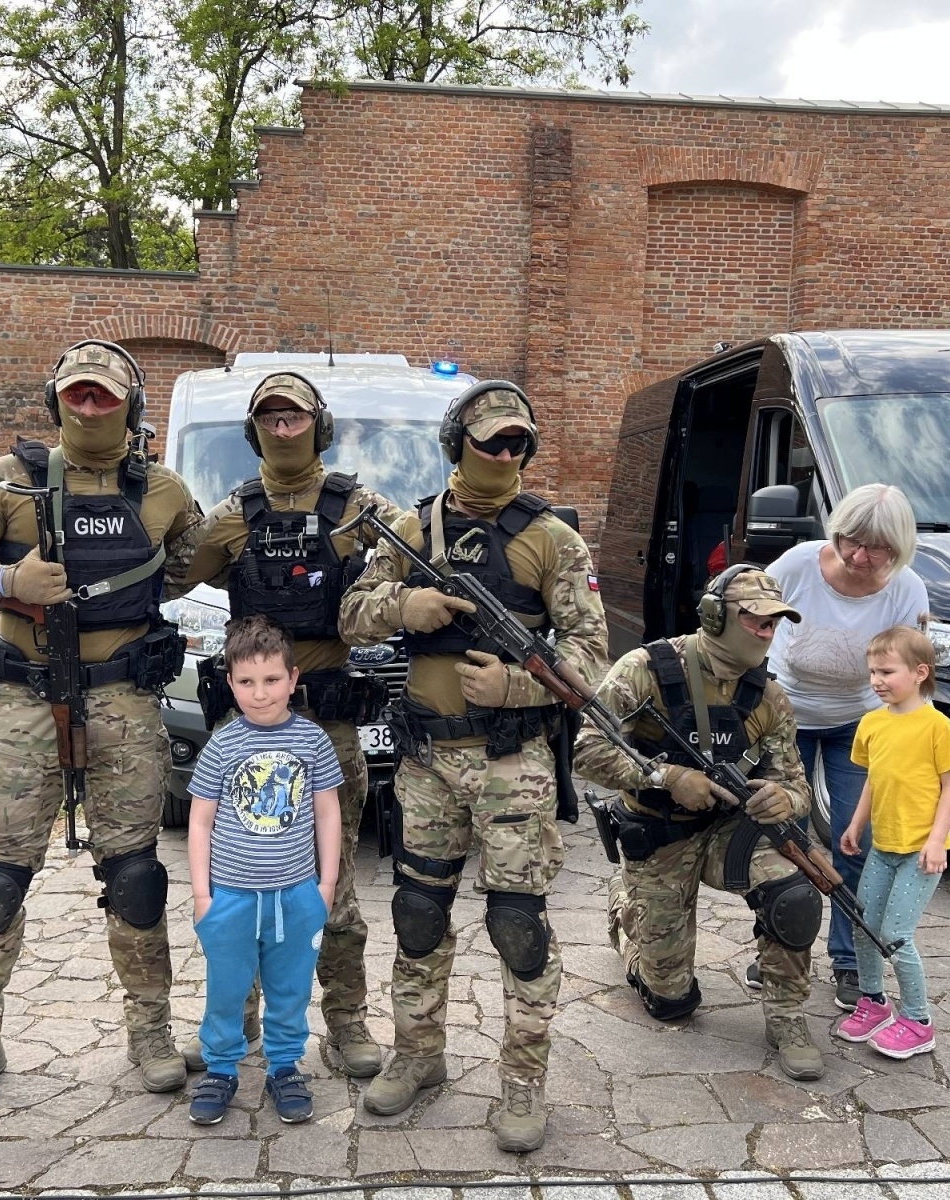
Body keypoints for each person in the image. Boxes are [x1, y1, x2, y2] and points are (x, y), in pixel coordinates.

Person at [0, 340, 201, 1112]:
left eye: (105, 395)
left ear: (131, 405)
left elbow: (194, 564)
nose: (90, 406)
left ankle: (150, 1034)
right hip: (23, 702)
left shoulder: (166, 490)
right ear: (56, 401)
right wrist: (8, 579)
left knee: (136, 876)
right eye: (78, 393)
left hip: (124, 703)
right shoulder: (3, 482)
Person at [338, 380, 607, 1152]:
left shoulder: (554, 539)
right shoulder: (407, 530)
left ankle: (522, 1084)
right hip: (424, 760)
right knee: (419, 916)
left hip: (511, 760)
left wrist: (517, 683)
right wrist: (403, 609)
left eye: (518, 441)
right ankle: (418, 1055)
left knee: (518, 924)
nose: (505, 453)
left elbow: (590, 659)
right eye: (490, 439)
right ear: (458, 442)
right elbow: (351, 620)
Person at [168, 371, 409, 1080]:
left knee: (332, 886)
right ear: (254, 430)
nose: (282, 427)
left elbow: (416, 549)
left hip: (327, 725)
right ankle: (235, 1027)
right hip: (248, 731)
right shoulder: (233, 513)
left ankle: (347, 1024)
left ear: (318, 424)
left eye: (294, 416)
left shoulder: (357, 507)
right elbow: (173, 576)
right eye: (269, 417)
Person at [576, 565, 827, 1081]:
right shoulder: (645, 668)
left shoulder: (769, 697)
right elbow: (584, 749)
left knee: (795, 897)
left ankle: (787, 1018)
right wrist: (663, 775)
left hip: (729, 831)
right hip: (660, 831)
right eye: (755, 620)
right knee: (672, 1002)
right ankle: (628, 917)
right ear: (715, 618)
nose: (767, 631)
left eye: (775, 622)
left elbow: (797, 784)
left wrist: (784, 799)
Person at [755, 482, 930, 1012]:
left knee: (860, 842)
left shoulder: (906, 590)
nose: (860, 556)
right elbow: (748, 627)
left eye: (877, 548)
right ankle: (778, 951)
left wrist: (932, 753)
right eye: (851, 541)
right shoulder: (797, 565)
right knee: (779, 838)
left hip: (862, 720)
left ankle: (850, 961)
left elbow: (915, 677)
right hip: (786, 716)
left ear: (899, 548)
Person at [184, 615, 343, 1124]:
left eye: (272, 680)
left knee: (290, 987)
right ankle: (221, 1067)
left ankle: (284, 1066)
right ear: (230, 683)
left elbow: (327, 812)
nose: (260, 693)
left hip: (296, 894)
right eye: (247, 682)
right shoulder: (222, 745)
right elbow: (200, 822)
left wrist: (326, 885)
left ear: (293, 680)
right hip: (230, 896)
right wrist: (203, 896)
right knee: (226, 989)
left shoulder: (313, 742)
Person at [834, 626, 950, 1059]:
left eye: (887, 671)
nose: (877, 680)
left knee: (895, 934)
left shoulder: (937, 726)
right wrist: (855, 825)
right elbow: (875, 779)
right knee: (863, 924)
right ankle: (873, 1001)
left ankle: (917, 1020)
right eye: (872, 671)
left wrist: (936, 840)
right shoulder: (871, 724)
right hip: (883, 848)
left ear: (919, 672)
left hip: (921, 852)